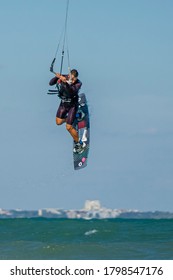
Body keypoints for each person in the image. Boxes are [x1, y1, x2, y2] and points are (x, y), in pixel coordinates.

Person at [49, 69, 86, 153]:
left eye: (74, 79)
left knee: (68, 127)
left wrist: (65, 82)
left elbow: (70, 92)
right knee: (58, 122)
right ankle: (77, 116)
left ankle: (80, 144)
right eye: (71, 79)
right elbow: (50, 83)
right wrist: (56, 77)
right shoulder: (65, 77)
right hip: (63, 104)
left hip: (73, 105)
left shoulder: (78, 83)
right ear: (69, 75)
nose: (72, 81)